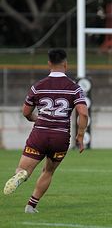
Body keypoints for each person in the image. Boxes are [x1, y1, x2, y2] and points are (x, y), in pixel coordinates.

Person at [3, 48, 89, 213]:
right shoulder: (74, 88)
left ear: (49, 63)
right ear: (66, 64)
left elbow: (26, 112)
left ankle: (22, 175)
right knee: (48, 170)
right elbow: (83, 113)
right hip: (61, 137)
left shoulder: (38, 86)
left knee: (22, 170)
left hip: (40, 134)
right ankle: (31, 205)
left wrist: (37, 119)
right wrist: (80, 136)